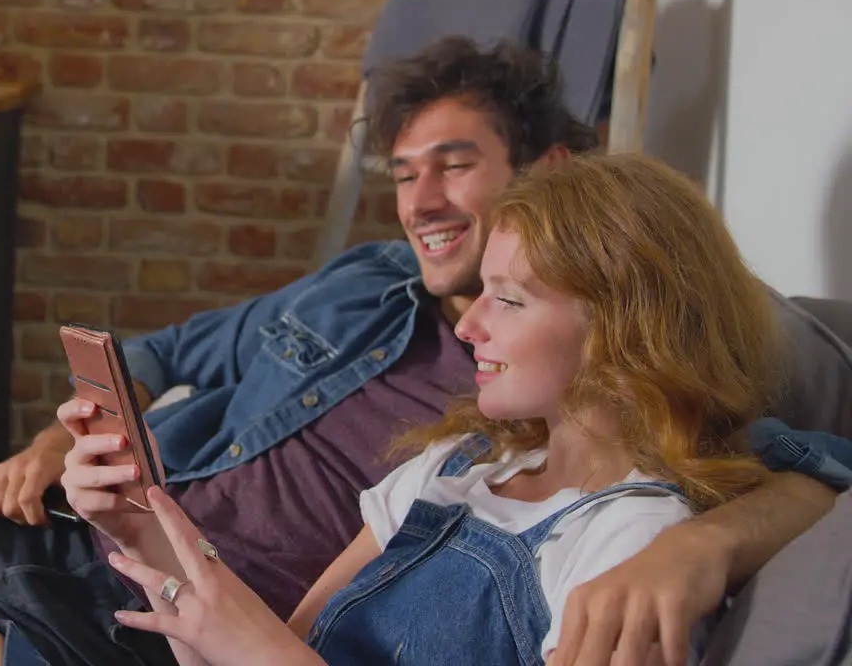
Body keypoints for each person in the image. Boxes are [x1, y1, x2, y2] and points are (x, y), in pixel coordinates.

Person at [0, 37, 851, 665]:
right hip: (98, 554)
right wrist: (80, 465)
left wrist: (712, 533)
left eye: (453, 166)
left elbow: (774, 443)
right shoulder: (441, 434)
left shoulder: (611, 523)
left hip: (128, 624)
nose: (417, 205)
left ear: (554, 184)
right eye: (401, 172)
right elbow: (150, 367)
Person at [60, 150, 786, 666]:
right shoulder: (459, 462)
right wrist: (138, 532)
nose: (468, 327)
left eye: (508, 298)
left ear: (626, 327)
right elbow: (279, 645)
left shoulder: (629, 541)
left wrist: (254, 648)